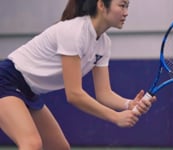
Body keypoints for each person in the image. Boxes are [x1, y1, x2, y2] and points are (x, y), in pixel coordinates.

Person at [0, 0, 156, 149]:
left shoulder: (104, 44)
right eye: (122, 5)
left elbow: (104, 93)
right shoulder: (74, 32)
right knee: (31, 144)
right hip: (7, 81)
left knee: (58, 148)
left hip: (29, 91)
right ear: (101, 5)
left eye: (127, 6)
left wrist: (129, 104)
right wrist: (115, 117)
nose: (126, 12)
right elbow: (74, 94)